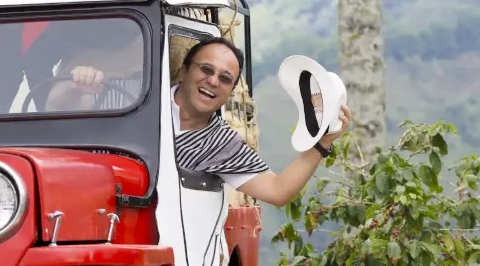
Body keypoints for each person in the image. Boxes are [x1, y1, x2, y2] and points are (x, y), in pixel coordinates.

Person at [51, 37, 353, 207]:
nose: (213, 81)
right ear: (184, 72)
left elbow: (277, 191)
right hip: (80, 207)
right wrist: (77, 85)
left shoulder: (221, 143)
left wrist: (321, 145)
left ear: (230, 92)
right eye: (206, 70)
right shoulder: (133, 94)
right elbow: (57, 109)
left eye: (225, 78)